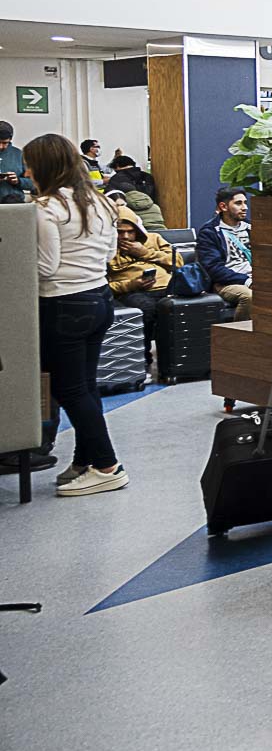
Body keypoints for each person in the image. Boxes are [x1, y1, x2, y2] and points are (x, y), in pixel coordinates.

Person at [27, 134, 127, 495]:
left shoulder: (46, 207)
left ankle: (107, 465)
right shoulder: (100, 203)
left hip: (62, 304)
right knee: (85, 385)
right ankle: (86, 459)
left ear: (44, 166)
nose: (26, 170)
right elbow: (109, 253)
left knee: (69, 390)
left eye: (30, 163)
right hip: (99, 299)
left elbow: (47, 266)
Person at [106, 204, 176, 377]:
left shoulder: (154, 238)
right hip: (132, 292)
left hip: (167, 286)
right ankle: (143, 360)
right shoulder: (107, 250)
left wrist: (145, 252)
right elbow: (105, 286)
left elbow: (177, 261)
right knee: (146, 308)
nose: (126, 236)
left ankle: (174, 362)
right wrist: (132, 284)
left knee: (181, 305)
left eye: (130, 231)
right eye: (120, 232)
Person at [196, 186, 254, 319]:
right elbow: (213, 268)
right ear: (223, 206)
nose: (245, 207)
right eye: (238, 203)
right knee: (249, 296)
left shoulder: (251, 228)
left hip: (255, 277)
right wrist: (246, 281)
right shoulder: (210, 232)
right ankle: (239, 337)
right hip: (227, 282)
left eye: (245, 203)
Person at [0, 120, 34, 204]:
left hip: (14, 205)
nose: (1, 146)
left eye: (5, 143)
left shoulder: (19, 155)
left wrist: (18, 181)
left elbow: (33, 184)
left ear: (10, 139)